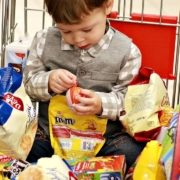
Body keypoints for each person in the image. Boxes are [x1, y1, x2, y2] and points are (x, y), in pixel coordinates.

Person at [23, 0, 145, 170]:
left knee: (133, 153)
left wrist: (100, 103)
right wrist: (48, 81)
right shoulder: (44, 40)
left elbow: (130, 103)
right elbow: (28, 85)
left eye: (87, 29)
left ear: (108, 6)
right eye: (65, 31)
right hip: (50, 134)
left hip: (104, 138)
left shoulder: (127, 52)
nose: (77, 39)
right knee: (22, 146)